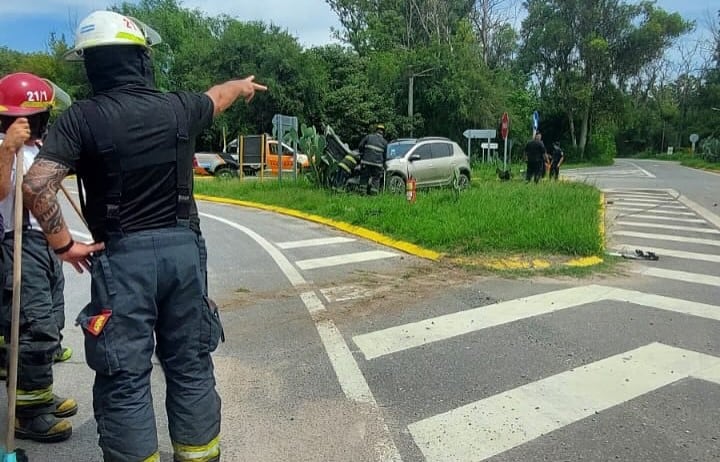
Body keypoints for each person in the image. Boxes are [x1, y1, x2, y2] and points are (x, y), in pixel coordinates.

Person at [23, 10, 266, 462]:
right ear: (140, 59)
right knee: (190, 364)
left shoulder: (81, 117)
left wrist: (63, 245)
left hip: (123, 259)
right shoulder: (180, 106)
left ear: (92, 64)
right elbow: (219, 96)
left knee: (126, 375)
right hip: (183, 254)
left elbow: (37, 185)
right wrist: (242, 85)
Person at [0, 72, 77, 443]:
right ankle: (28, 413)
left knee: (52, 321)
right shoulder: (3, 145)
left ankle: (40, 393)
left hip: (44, 244)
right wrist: (8, 149)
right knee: (33, 327)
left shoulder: (36, 144)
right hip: (17, 243)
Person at [358, 124, 388, 195]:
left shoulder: (368, 137)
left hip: (366, 162)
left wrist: (362, 154)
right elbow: (385, 156)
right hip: (377, 165)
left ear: (376, 130)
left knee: (364, 177)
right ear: (383, 132)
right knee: (376, 179)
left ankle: (362, 193)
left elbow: (360, 146)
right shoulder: (385, 142)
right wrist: (384, 165)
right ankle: (373, 195)